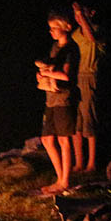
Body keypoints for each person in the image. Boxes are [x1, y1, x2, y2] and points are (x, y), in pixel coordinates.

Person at [35, 13, 79, 194]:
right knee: (46, 139)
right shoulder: (55, 47)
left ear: (66, 27)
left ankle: (64, 181)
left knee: (63, 139)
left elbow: (66, 76)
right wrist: (42, 75)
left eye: (54, 28)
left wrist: (47, 74)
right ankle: (60, 177)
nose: (51, 31)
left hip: (63, 99)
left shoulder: (71, 49)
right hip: (51, 99)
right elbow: (50, 69)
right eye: (50, 28)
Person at [70, 0, 104, 174]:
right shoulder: (76, 33)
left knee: (89, 119)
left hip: (89, 76)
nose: (78, 16)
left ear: (91, 13)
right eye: (76, 14)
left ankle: (92, 163)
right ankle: (79, 162)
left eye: (82, 12)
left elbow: (91, 37)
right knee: (76, 123)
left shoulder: (97, 30)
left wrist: (81, 16)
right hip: (76, 77)